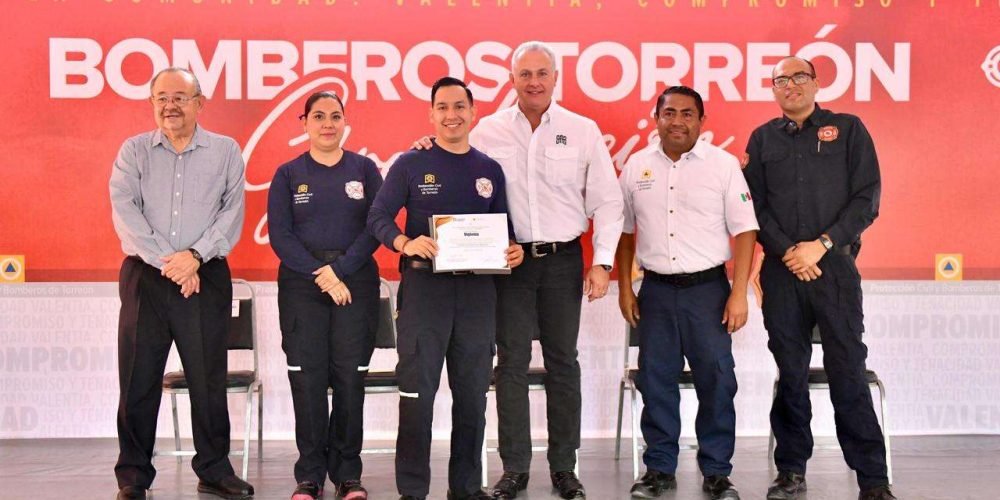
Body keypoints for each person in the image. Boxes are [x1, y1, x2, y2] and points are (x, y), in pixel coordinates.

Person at [418, 41, 624, 500]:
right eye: (525, 74)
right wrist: (424, 148)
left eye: (542, 73)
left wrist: (604, 262)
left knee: (563, 364)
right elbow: (450, 157)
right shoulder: (488, 130)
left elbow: (608, 203)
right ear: (511, 80)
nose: (534, 81)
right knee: (509, 364)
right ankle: (514, 469)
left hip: (564, 261)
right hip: (507, 264)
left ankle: (564, 468)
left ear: (555, 78)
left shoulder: (582, 129)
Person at [743, 56, 894, 500]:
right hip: (782, 271)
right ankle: (790, 471)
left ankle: (872, 479)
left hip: (835, 270)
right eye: (780, 80)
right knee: (790, 373)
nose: (790, 86)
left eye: (798, 77)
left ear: (816, 82)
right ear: (773, 89)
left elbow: (867, 199)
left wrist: (821, 245)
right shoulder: (763, 138)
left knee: (847, 369)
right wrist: (790, 250)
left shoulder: (848, 130)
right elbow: (752, 205)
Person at [367, 77, 525, 500]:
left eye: (459, 106)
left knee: (472, 396)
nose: (451, 115)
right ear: (431, 113)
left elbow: (504, 231)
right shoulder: (410, 163)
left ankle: (467, 488)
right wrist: (404, 242)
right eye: (442, 107)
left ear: (474, 113)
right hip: (424, 293)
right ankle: (413, 490)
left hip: (478, 296)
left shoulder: (489, 170)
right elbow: (378, 216)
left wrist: (513, 252)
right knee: (417, 394)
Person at [109, 67, 252, 500]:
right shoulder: (133, 151)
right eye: (162, 97)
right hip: (145, 278)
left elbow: (232, 213)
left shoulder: (225, 151)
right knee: (138, 379)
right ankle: (133, 474)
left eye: (180, 97)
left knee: (208, 378)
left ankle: (214, 469)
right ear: (152, 102)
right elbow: (124, 210)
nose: (170, 105)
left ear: (199, 102)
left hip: (205, 275)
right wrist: (171, 264)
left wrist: (193, 258)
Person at [615, 86, 758, 500]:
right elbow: (625, 232)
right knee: (656, 381)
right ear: (655, 117)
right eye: (669, 112)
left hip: (708, 292)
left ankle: (716, 471)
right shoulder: (636, 167)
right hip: (656, 292)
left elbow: (746, 230)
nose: (678, 121)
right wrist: (626, 288)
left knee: (717, 381)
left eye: (688, 114)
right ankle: (659, 469)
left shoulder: (723, 165)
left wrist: (739, 292)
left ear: (702, 120)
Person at [267, 90, 383, 500]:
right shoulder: (287, 174)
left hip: (355, 282)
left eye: (335, 116)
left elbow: (377, 226)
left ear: (344, 121)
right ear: (304, 123)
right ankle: (310, 476)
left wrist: (341, 271)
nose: (328, 123)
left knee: (351, 379)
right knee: (309, 380)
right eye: (319, 116)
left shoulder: (365, 170)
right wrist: (323, 274)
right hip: (303, 284)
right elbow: (280, 235)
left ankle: (348, 475)